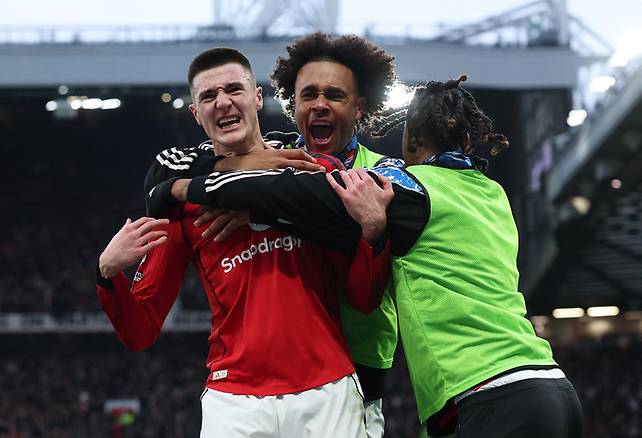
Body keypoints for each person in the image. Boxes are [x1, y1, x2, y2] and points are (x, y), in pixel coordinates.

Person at [167, 75, 584, 437]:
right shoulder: (493, 194)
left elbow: (302, 194)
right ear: (466, 140)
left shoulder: (407, 188)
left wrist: (184, 187)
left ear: (411, 141)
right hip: (551, 385)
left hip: (488, 391)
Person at [96, 47, 388, 438]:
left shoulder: (312, 170)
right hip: (235, 401)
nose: (223, 102)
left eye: (234, 89)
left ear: (257, 97)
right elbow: (140, 330)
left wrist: (373, 234)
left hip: (328, 389)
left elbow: (364, 297)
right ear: (196, 114)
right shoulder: (184, 207)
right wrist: (106, 273)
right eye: (208, 96)